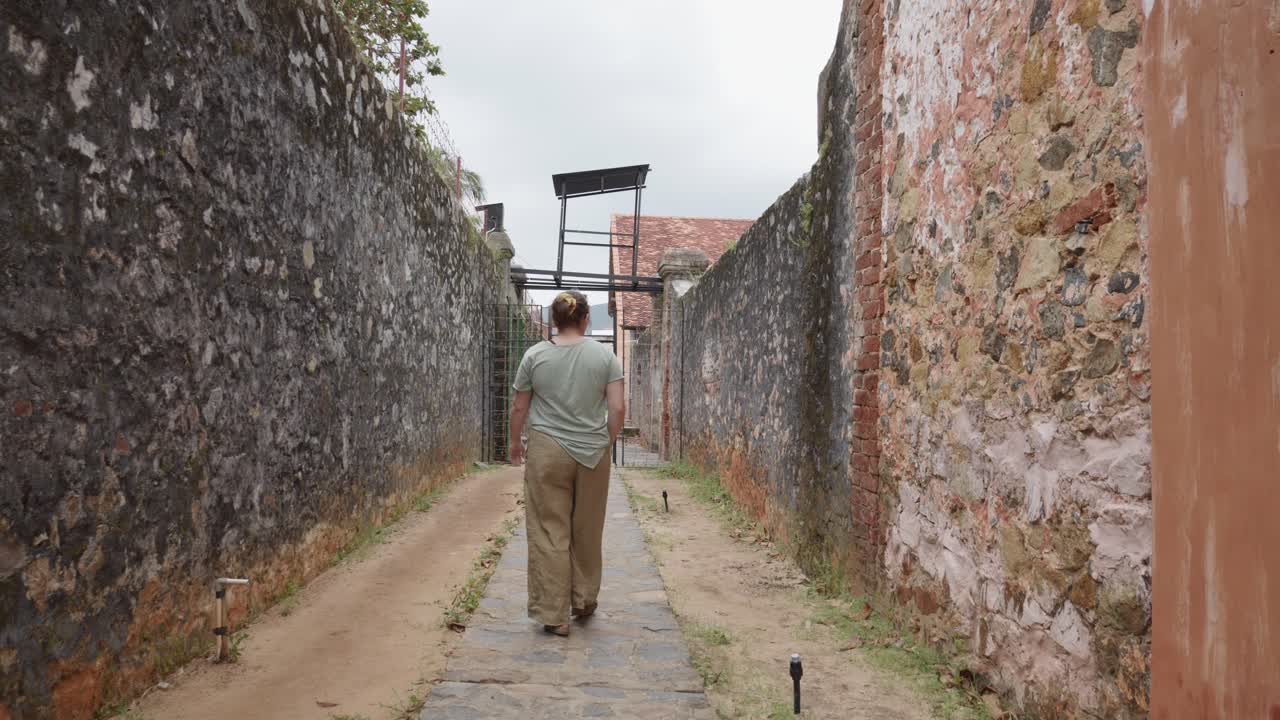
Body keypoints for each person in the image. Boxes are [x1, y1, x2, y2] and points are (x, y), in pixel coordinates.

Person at [509, 291, 625, 637]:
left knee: (549, 529)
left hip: (547, 452)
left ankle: (554, 614)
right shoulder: (605, 356)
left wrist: (515, 444)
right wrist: (607, 440)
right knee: (587, 529)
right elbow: (617, 408)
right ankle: (584, 600)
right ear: (586, 319)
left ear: (554, 320)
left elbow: (519, 406)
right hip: (592, 452)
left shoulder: (535, 356)